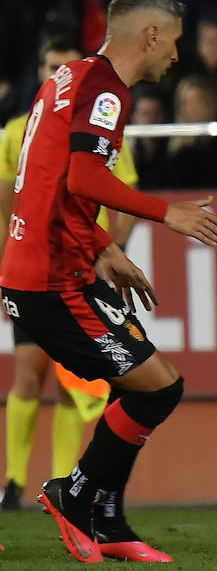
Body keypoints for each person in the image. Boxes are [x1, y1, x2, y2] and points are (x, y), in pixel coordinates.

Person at [0, 0, 217, 563]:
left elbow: (44, 179)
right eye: (173, 41)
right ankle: (74, 498)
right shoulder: (106, 92)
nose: (176, 56)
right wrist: (164, 212)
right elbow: (81, 178)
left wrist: (102, 244)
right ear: (150, 34)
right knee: (157, 388)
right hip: (51, 279)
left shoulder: (68, 78)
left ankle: (109, 520)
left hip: (58, 263)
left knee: (142, 385)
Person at [1, 38, 138, 513]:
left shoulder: (104, 122)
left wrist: (108, 247)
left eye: (64, 65)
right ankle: (14, 481)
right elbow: (6, 202)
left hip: (83, 265)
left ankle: (62, 482)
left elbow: (125, 189)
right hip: (40, 265)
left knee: (75, 384)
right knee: (28, 371)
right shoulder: (17, 131)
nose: (58, 74)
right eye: (49, 66)